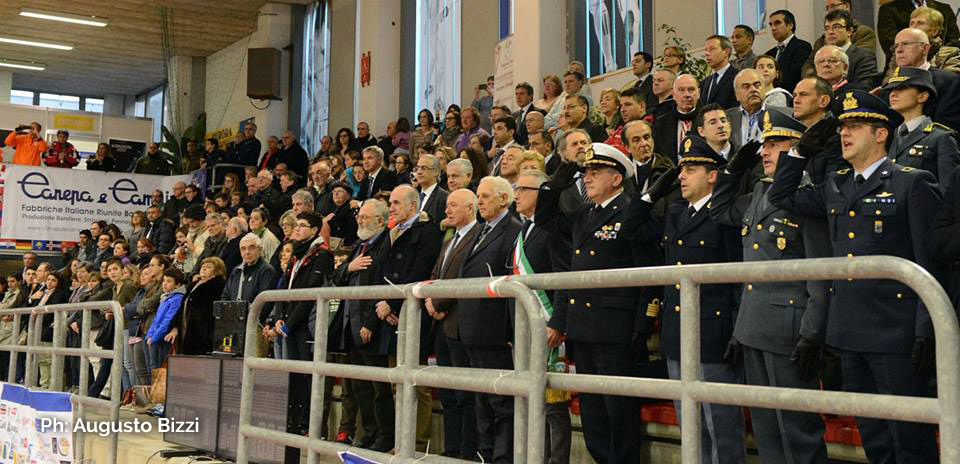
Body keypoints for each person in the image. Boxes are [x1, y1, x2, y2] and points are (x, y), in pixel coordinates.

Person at [767, 89, 941, 464]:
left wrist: (928, 330)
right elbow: (780, 197)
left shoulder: (911, 182)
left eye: (856, 126)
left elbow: (930, 262)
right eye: (843, 126)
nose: (844, 133)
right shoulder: (837, 184)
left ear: (881, 134)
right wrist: (798, 153)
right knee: (874, 439)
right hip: (848, 331)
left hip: (896, 334)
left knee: (910, 440)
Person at [708, 109, 831, 463]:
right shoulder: (760, 192)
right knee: (766, 428)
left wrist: (812, 334)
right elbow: (720, 211)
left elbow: (820, 274)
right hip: (753, 327)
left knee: (797, 430)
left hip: (790, 331)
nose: (765, 151)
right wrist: (732, 171)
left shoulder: (807, 197)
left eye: (775, 144)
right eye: (764, 144)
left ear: (796, 148)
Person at [632, 136, 747, 464]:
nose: (681, 176)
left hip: (713, 333)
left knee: (720, 426)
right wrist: (651, 194)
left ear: (713, 175)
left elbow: (738, 277)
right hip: (676, 332)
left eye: (691, 169)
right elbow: (630, 229)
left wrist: (737, 329)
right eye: (681, 170)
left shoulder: (724, 215)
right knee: (690, 427)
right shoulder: (675, 213)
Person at [455, 176, 521, 462]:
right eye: (478, 196)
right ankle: (486, 454)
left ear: (504, 199)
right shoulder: (481, 230)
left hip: (495, 330)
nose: (479, 201)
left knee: (501, 400)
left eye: (485, 196)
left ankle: (503, 457)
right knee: (482, 400)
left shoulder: (514, 230)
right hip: (472, 327)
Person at [330, 199, 395, 452]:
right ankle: (369, 432)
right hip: (351, 325)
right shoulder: (359, 245)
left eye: (365, 217)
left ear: (380, 220)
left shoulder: (386, 243)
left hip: (370, 326)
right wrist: (349, 266)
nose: (359, 220)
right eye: (359, 216)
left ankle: (385, 434)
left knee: (379, 387)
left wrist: (370, 322)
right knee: (360, 386)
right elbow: (337, 278)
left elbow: (380, 284)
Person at [424, 189, 480, 459]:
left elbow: (466, 277)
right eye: (447, 206)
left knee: (464, 394)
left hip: (460, 324)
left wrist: (438, 304)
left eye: (454, 205)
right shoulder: (450, 239)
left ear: (470, 208)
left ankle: (467, 452)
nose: (447, 211)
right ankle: (452, 449)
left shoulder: (478, 235)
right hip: (441, 326)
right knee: (447, 394)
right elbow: (436, 273)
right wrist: (430, 300)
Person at [884, 66, 960, 191]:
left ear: (922, 96)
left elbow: (949, 190)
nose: (893, 94)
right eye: (892, 89)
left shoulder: (941, 137)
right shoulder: (889, 134)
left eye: (902, 88)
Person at [887, 28, 960, 132]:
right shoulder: (889, 84)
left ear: (925, 48)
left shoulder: (949, 81)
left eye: (906, 44)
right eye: (896, 46)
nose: (899, 50)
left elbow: (948, 127)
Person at [804, 10, 878, 89]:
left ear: (849, 31)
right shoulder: (820, 56)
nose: (830, 32)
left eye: (836, 27)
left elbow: (864, 87)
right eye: (827, 28)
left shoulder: (864, 56)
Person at [878, 0, 959, 65]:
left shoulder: (944, 8)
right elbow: (890, 44)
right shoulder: (889, 9)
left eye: (920, 23)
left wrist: (937, 55)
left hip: (942, 63)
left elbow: (953, 39)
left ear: (935, 31)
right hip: (901, 67)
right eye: (912, 23)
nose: (914, 27)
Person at [653, 74, 702, 162]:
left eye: (691, 89)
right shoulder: (660, 124)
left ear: (698, 93)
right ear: (673, 94)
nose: (687, 94)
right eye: (681, 90)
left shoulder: (708, 119)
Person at [765, 10, 813, 94]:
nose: (773, 28)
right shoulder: (769, 54)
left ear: (790, 25)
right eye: (771, 25)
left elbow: (794, 76)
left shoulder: (802, 47)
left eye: (777, 23)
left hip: (791, 95)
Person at [725, 69, 771, 149]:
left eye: (757, 85)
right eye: (746, 87)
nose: (753, 89)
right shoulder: (726, 118)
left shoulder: (780, 115)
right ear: (737, 95)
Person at [699, 35, 740, 109]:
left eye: (712, 49)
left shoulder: (737, 77)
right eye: (706, 50)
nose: (707, 53)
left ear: (726, 52)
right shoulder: (704, 82)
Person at [415, 154, 449, 226]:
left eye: (424, 168)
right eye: (417, 168)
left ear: (436, 172)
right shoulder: (414, 196)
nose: (419, 172)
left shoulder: (444, 197)